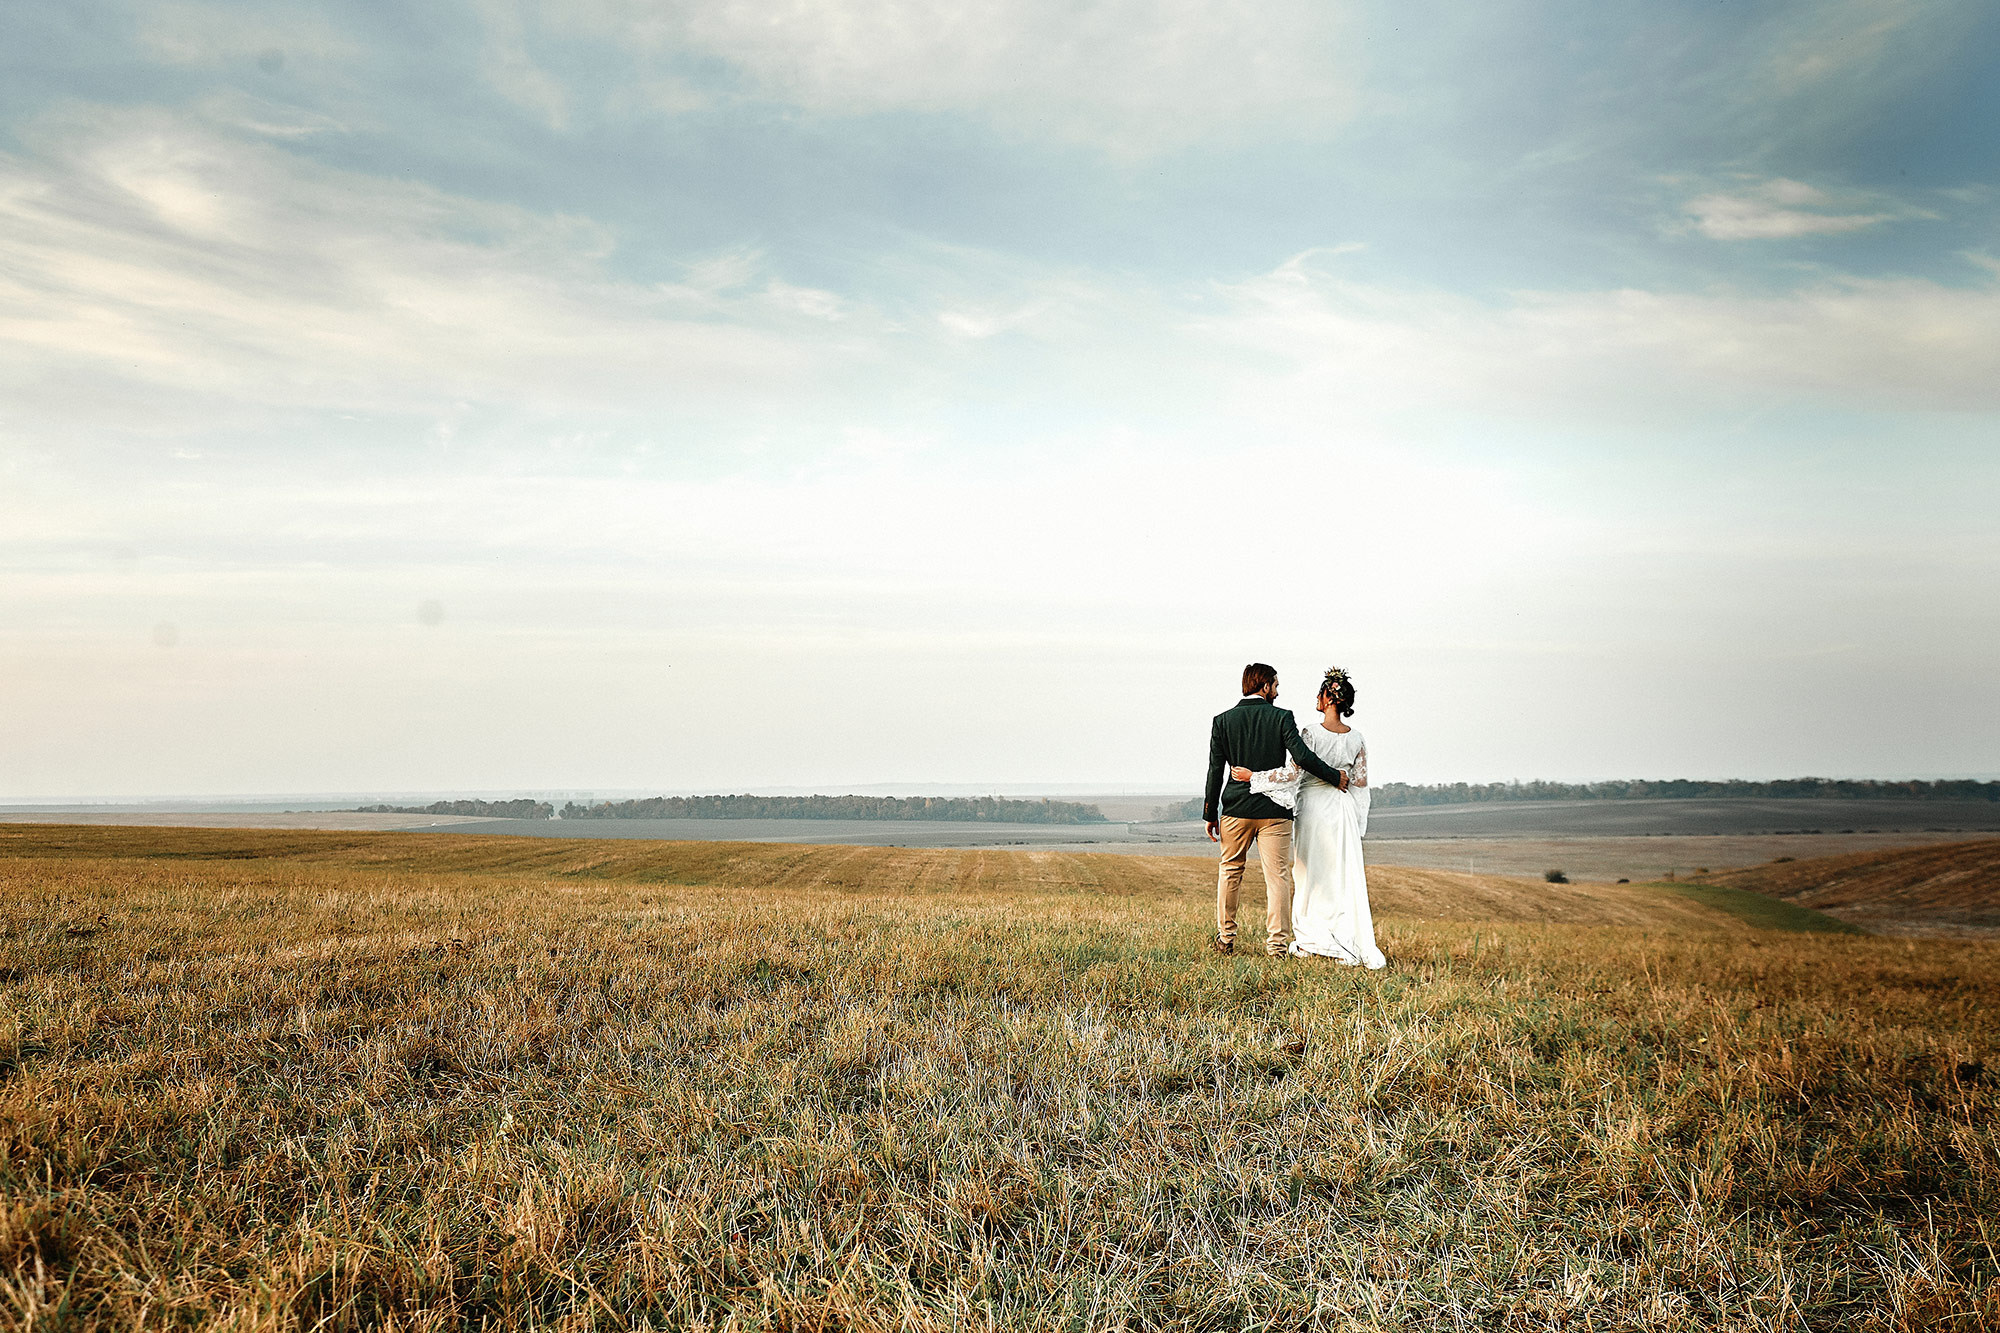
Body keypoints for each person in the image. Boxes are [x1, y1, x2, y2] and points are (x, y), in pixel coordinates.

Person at [1230, 666, 1385, 968]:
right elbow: (1360, 783)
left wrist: (1254, 777)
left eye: (1319, 693)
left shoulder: (1311, 734)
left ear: (1329, 698)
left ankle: (1314, 937)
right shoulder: (1358, 739)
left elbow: (1292, 774)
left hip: (1314, 809)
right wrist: (1355, 816)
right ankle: (1342, 936)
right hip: (1342, 811)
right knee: (1339, 875)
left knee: (1309, 873)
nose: (1316, 697)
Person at [1202, 663, 1351, 957]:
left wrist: (1210, 813)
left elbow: (1215, 770)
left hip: (1236, 809)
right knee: (1279, 877)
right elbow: (1302, 757)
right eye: (1276, 685)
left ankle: (1226, 937)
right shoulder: (1282, 717)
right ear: (1265, 685)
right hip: (1275, 811)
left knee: (1230, 872)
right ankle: (1277, 946)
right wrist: (1335, 776)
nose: (1278, 691)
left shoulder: (1222, 721)